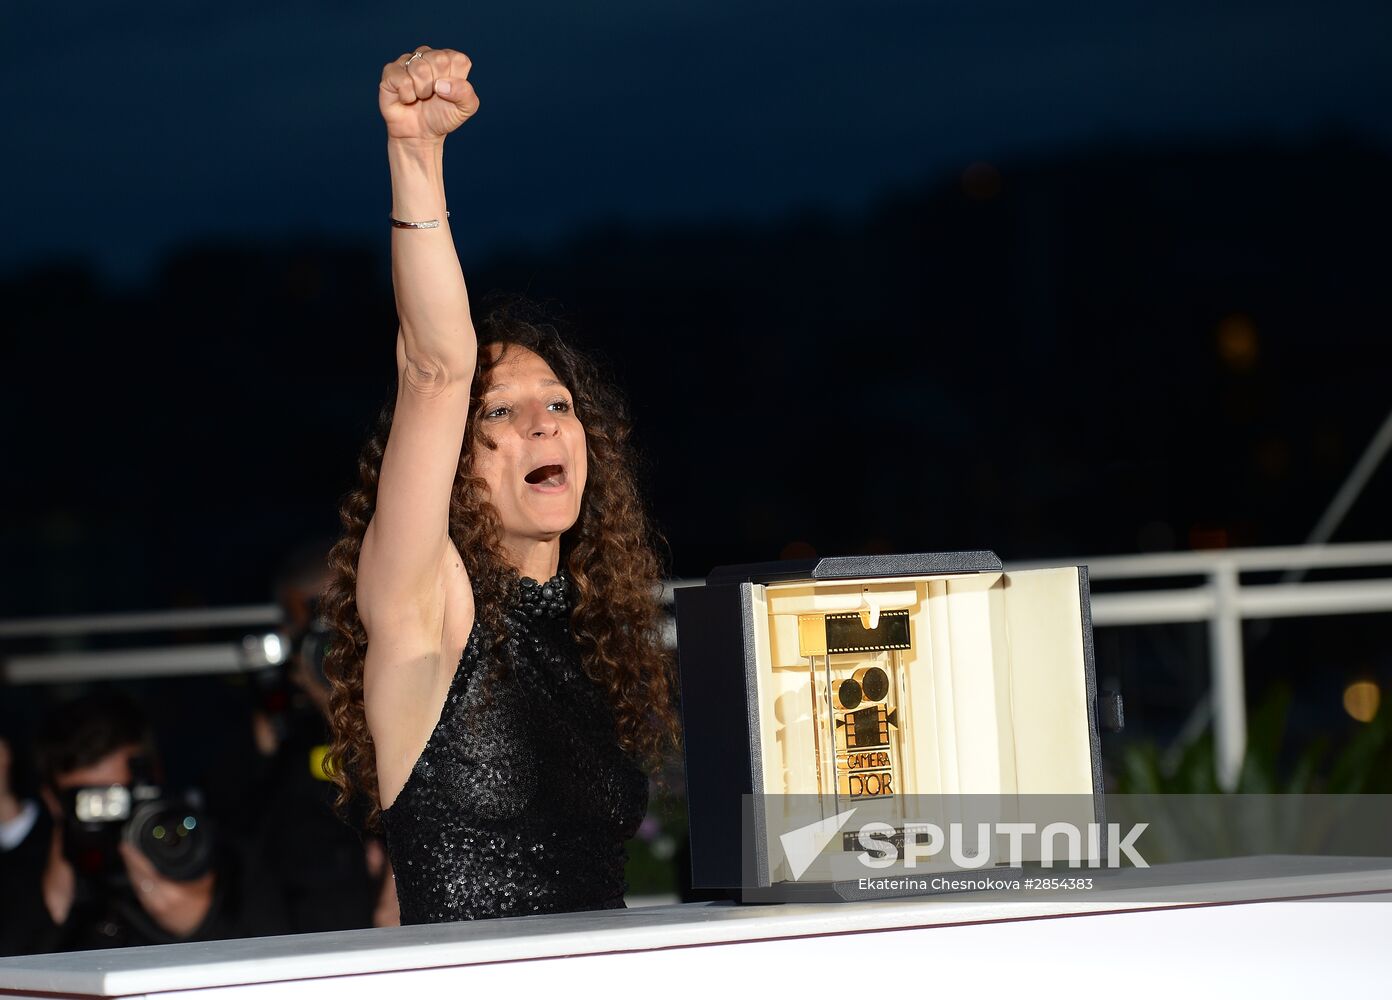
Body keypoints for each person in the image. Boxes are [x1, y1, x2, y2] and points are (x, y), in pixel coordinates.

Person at [320, 45, 681, 925]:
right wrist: (416, 153)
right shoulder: (427, 608)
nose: (543, 424)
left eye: (558, 404)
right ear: (455, 467)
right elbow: (438, 370)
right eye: (502, 415)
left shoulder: (600, 641)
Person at [0, 693, 288, 955]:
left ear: (154, 778)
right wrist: (53, 903)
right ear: (53, 801)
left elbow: (283, 970)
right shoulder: (20, 878)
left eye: (121, 797)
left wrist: (201, 923)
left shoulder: (215, 857)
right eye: (90, 803)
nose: (110, 815)